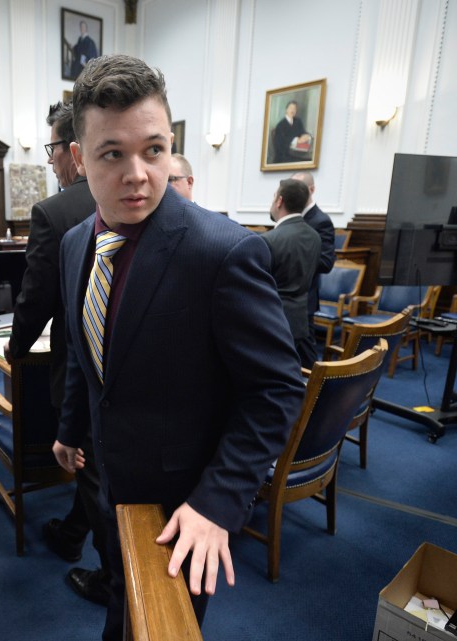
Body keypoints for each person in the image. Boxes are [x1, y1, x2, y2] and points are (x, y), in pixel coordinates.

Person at [54, 54, 304, 640]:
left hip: (186, 503)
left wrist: (219, 501)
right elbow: (84, 349)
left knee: (165, 627)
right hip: (108, 480)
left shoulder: (222, 252)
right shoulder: (73, 245)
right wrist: (69, 427)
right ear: (77, 158)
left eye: (154, 149)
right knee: (119, 594)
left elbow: (275, 389)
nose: (137, 173)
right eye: (112, 153)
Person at [5, 102, 111, 606]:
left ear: (72, 151)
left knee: (91, 467)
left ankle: (112, 578)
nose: (49, 161)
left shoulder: (54, 211)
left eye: (52, 149)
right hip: (129, 364)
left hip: (78, 365)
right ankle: (71, 532)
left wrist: (15, 349)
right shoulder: (124, 198)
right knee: (96, 464)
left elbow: (36, 295)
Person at [262, 179, 322, 359]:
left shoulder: (269, 240)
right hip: (299, 320)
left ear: (279, 201)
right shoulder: (315, 237)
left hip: (271, 321)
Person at [290, 171, 335, 367]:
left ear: (312, 190)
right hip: (286, 295)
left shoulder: (321, 221)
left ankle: (314, 392)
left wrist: (292, 259)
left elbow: (326, 262)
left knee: (306, 351)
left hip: (304, 296)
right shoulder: (291, 216)